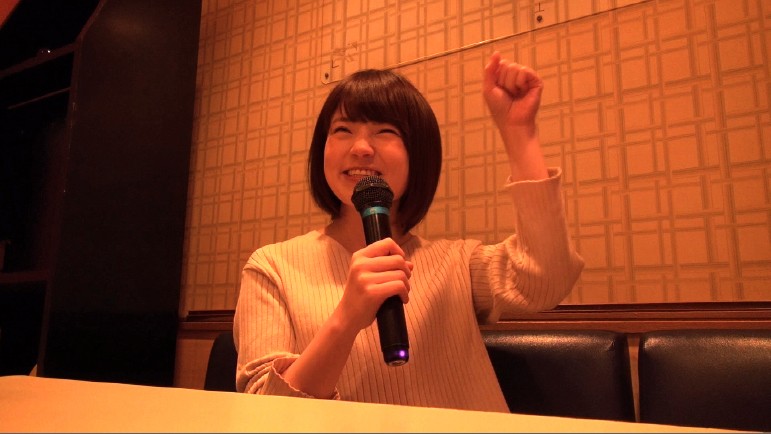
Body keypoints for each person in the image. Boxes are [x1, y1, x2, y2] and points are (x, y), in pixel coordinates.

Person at [232, 51, 585, 412]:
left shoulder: (456, 264)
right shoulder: (272, 267)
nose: (361, 148)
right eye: (342, 130)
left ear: (418, 155)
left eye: (385, 132)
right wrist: (347, 318)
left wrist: (519, 133)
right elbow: (263, 412)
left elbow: (545, 279)